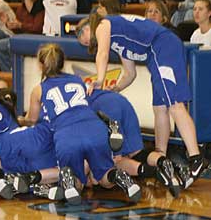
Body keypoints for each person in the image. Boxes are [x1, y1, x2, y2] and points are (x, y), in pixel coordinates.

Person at [77, 13, 209, 189]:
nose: (85, 43)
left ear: (88, 27)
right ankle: (160, 156)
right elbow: (130, 74)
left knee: (175, 105)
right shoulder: (119, 42)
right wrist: (115, 88)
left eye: (82, 37)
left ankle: (196, 158)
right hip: (157, 53)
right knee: (159, 108)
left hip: (162, 46)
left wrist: (100, 80)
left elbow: (102, 55)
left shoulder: (102, 25)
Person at [20, 43, 141, 204]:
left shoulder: (39, 89)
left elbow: (32, 120)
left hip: (67, 135)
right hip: (95, 128)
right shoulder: (78, 80)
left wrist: (21, 119)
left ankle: (70, 180)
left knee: (77, 185)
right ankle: (120, 177)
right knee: (105, 176)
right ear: (63, 63)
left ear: (41, 65)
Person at [0, 0, 45, 72]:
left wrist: (21, 25)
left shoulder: (39, 8)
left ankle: (17, 72)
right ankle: (9, 73)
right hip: (22, 38)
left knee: (11, 45)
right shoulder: (21, 8)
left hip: (37, 40)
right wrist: (8, 24)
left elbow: (38, 29)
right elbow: (18, 30)